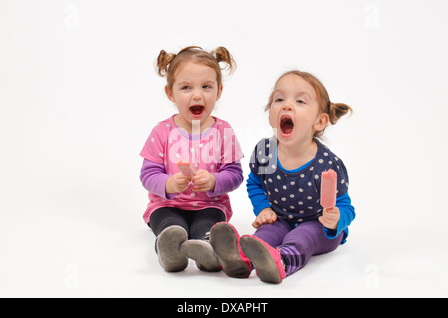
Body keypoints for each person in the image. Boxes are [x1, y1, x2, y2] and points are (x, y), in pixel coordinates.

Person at [210, 70, 355, 283]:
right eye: (279, 99)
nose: (287, 105)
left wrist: (336, 219)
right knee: (263, 235)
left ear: (320, 121)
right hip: (281, 218)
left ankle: (284, 261)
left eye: (300, 101)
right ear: (270, 116)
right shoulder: (266, 151)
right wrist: (264, 209)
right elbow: (255, 183)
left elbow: (346, 207)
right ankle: (241, 260)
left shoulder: (326, 164)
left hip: (318, 225)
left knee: (301, 237)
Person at [139, 46, 244, 272]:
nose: (197, 95)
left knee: (208, 226)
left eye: (206, 87)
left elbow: (235, 175)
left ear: (219, 91)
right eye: (186, 87)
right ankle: (171, 252)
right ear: (170, 93)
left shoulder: (223, 131)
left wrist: (215, 181)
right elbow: (148, 175)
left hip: (210, 205)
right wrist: (168, 184)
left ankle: (208, 251)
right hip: (167, 204)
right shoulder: (162, 131)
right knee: (170, 226)